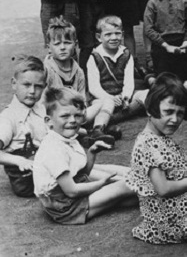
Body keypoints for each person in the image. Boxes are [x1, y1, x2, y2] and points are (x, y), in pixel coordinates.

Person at [127, 73, 187, 244]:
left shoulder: (159, 137)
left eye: (180, 113)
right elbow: (163, 188)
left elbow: (173, 171)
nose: (175, 119)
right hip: (174, 222)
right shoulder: (146, 145)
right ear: (150, 109)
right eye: (168, 112)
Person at [32, 87, 135, 224]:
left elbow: (83, 173)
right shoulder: (53, 149)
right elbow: (72, 191)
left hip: (70, 194)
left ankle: (151, 189)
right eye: (65, 116)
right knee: (124, 186)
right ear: (49, 120)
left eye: (77, 115)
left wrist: (91, 153)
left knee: (127, 189)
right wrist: (101, 184)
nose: (73, 120)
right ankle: (158, 187)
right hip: (66, 207)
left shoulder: (65, 137)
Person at [44, 17, 118, 144]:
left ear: (75, 44)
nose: (62, 47)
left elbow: (82, 99)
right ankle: (83, 133)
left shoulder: (78, 70)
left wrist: (80, 111)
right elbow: (44, 103)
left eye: (67, 43)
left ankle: (97, 129)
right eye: (57, 44)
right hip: (57, 115)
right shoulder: (47, 70)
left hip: (76, 114)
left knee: (106, 101)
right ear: (49, 47)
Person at [0, 56, 48, 197]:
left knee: (81, 166)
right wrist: (18, 160)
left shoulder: (41, 109)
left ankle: (115, 178)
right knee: (79, 173)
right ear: (14, 83)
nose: (32, 91)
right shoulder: (9, 117)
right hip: (25, 175)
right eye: (26, 85)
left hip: (44, 161)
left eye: (38, 86)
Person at [87, 16, 145, 124]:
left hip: (123, 97)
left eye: (117, 33)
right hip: (104, 97)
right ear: (99, 37)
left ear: (122, 34)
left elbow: (129, 81)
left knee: (146, 94)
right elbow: (94, 87)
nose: (113, 37)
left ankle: (113, 118)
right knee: (100, 105)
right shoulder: (94, 57)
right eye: (108, 34)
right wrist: (110, 98)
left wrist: (125, 97)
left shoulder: (126, 53)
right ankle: (105, 122)